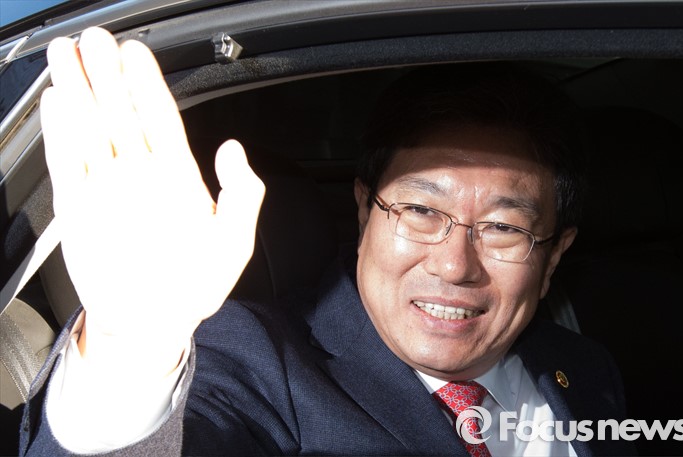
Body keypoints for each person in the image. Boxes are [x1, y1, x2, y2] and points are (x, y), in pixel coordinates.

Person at [20, 27, 634, 456]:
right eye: (421, 210)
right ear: (365, 210)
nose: (454, 265)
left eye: (503, 227)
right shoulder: (252, 359)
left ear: (554, 254)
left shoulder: (584, 367)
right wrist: (131, 357)